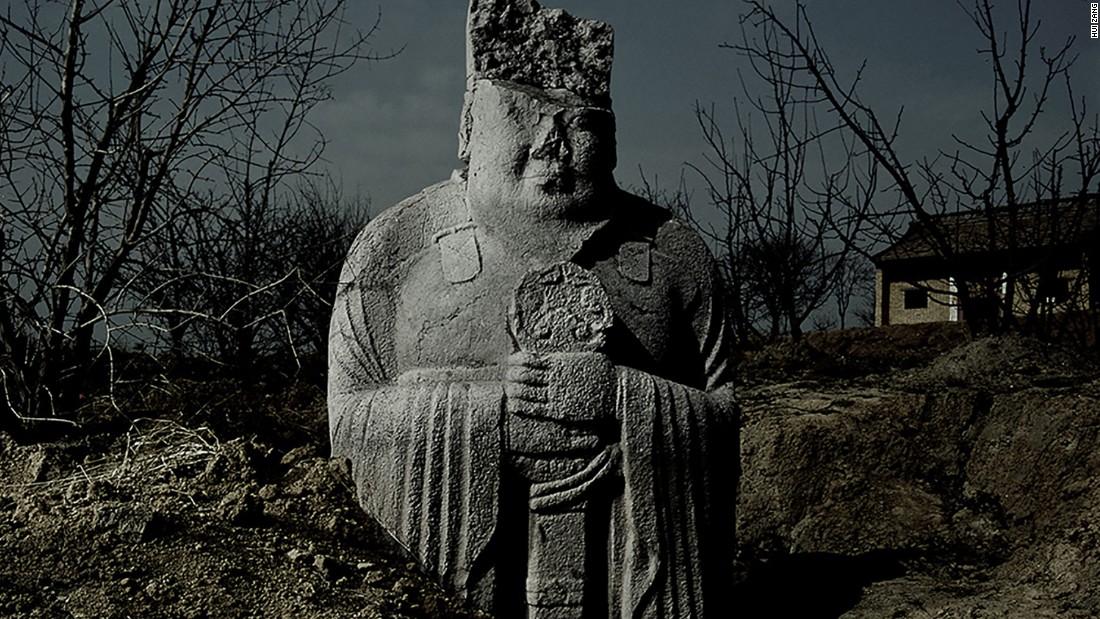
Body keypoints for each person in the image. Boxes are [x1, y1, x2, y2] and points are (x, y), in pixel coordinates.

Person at [329, 20, 737, 619]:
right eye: (522, 113)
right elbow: (347, 421)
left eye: (580, 121)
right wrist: (488, 412)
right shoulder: (394, 249)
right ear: (469, 124)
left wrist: (624, 398)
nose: (552, 140)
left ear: (615, 138)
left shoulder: (676, 258)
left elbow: (723, 415)